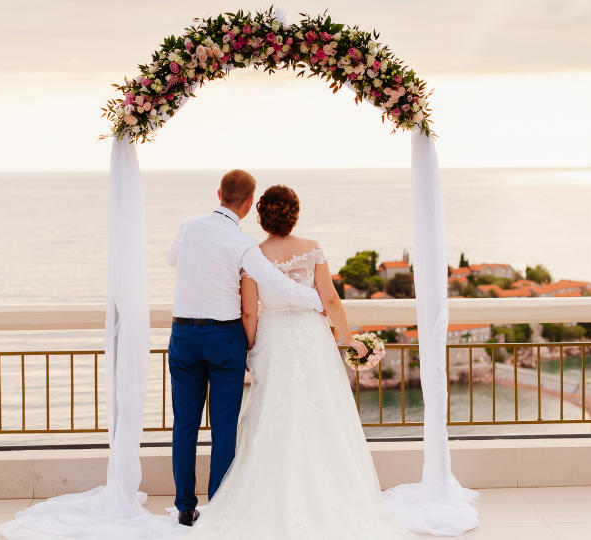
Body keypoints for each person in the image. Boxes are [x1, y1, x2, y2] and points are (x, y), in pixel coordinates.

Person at [182, 185, 413, 539]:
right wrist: (348, 338)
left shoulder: (252, 253)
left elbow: (248, 311)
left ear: (261, 216)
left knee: (273, 412)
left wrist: (251, 348)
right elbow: (331, 300)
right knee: (322, 413)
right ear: (294, 214)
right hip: (312, 340)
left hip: (273, 340)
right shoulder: (312, 249)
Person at [165, 171, 326, 526]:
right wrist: (318, 300)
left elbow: (171, 259)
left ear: (219, 192)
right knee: (223, 427)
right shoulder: (243, 245)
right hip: (224, 339)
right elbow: (275, 283)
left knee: (184, 425)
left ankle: (184, 507)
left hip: (184, 336)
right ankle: (219, 504)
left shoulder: (189, 226)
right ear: (249, 203)